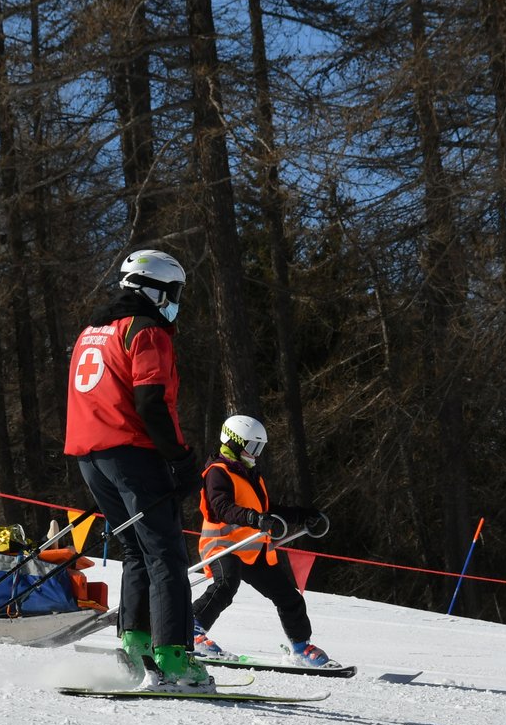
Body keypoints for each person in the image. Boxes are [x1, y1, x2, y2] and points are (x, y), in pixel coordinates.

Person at [64, 249, 210, 690]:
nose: (177, 300)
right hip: (131, 454)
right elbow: (150, 402)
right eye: (176, 291)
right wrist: (181, 459)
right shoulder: (147, 331)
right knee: (166, 554)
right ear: (157, 289)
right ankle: (174, 661)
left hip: (91, 457)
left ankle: (136, 648)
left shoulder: (94, 329)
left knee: (136, 553)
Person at [191, 415, 333, 666]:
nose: (256, 454)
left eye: (259, 448)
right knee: (226, 585)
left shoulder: (249, 474)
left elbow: (266, 509)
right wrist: (254, 519)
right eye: (252, 446)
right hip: (223, 545)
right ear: (234, 443)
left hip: (251, 549)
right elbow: (222, 508)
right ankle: (191, 630)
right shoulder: (218, 472)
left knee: (288, 596)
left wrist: (302, 515)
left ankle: (301, 647)